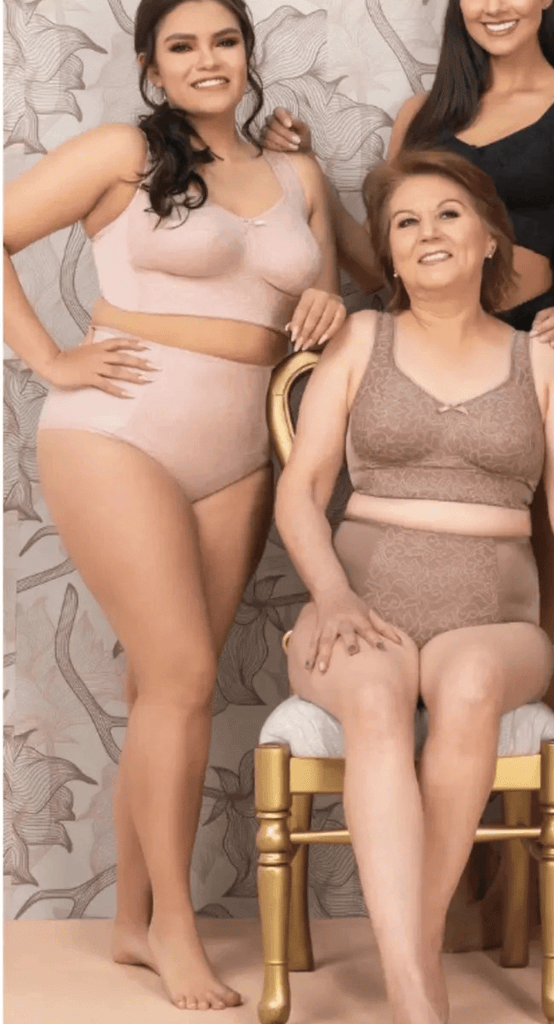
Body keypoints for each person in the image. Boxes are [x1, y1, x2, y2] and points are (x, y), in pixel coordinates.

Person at [274, 147, 554, 1024]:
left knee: (464, 683)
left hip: (492, 624)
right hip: (359, 614)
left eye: (449, 214)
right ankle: (418, 993)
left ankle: (409, 956)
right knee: (378, 696)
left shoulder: (539, 359)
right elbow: (300, 492)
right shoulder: (357, 339)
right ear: (387, 252)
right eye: (406, 222)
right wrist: (334, 598)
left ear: (492, 237)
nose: (428, 233)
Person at [3, 0, 347, 1010]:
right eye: (183, 45)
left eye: (225, 39)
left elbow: (316, 310)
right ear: (153, 66)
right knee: (187, 674)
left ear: (249, 52)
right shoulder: (122, 153)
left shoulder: (297, 174)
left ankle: (126, 925)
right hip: (117, 435)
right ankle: (172, 927)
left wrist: (323, 306)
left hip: (242, 455)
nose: (209, 59)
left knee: (166, 689)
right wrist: (51, 356)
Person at [266, 0, 554, 671]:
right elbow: (382, 263)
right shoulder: (422, 116)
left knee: (526, 617)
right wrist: (308, 173)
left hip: (535, 349)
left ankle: (516, 744)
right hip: (422, 345)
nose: (494, 6)